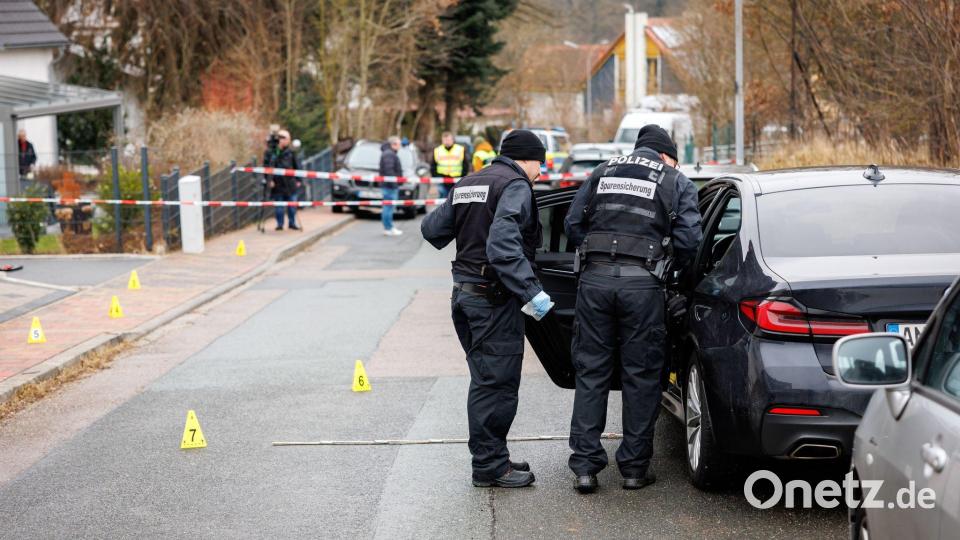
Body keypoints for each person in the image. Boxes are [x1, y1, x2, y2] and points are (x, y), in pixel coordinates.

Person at [563, 124, 702, 494]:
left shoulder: (602, 172)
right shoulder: (673, 180)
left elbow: (572, 224)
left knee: (591, 372)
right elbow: (690, 240)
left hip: (594, 283)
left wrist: (595, 258)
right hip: (643, 286)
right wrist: (671, 270)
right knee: (641, 375)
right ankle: (634, 470)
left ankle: (585, 468)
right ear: (666, 155)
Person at [421, 129, 554, 488]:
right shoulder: (515, 185)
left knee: (485, 378)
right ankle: (490, 467)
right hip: (493, 299)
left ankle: (494, 456)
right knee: (495, 384)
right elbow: (502, 244)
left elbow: (432, 229)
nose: (541, 172)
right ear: (526, 158)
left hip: (464, 297)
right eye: (540, 163)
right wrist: (531, 292)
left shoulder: (469, 181)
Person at [263, 129, 301, 230]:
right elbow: (266, 167)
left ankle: (292, 223)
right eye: (283, 138)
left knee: (292, 205)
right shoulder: (270, 152)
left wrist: (298, 180)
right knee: (279, 207)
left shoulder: (291, 152)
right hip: (277, 184)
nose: (286, 140)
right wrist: (269, 180)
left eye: (287, 138)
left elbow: (297, 166)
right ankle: (280, 224)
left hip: (290, 183)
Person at [431, 131, 470, 198]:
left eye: (448, 139)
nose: (447, 141)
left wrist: (462, 176)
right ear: (442, 140)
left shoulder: (460, 149)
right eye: (445, 140)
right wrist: (437, 177)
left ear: (452, 140)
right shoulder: (437, 150)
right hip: (442, 179)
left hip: (456, 179)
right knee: (443, 199)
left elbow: (465, 164)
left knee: (456, 199)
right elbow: (433, 166)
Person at [379, 136, 404, 237]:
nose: (400, 146)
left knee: (388, 207)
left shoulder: (388, 153)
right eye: (399, 144)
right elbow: (389, 171)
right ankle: (388, 228)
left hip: (388, 185)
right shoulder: (389, 154)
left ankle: (388, 227)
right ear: (393, 144)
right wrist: (395, 184)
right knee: (388, 207)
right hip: (389, 186)